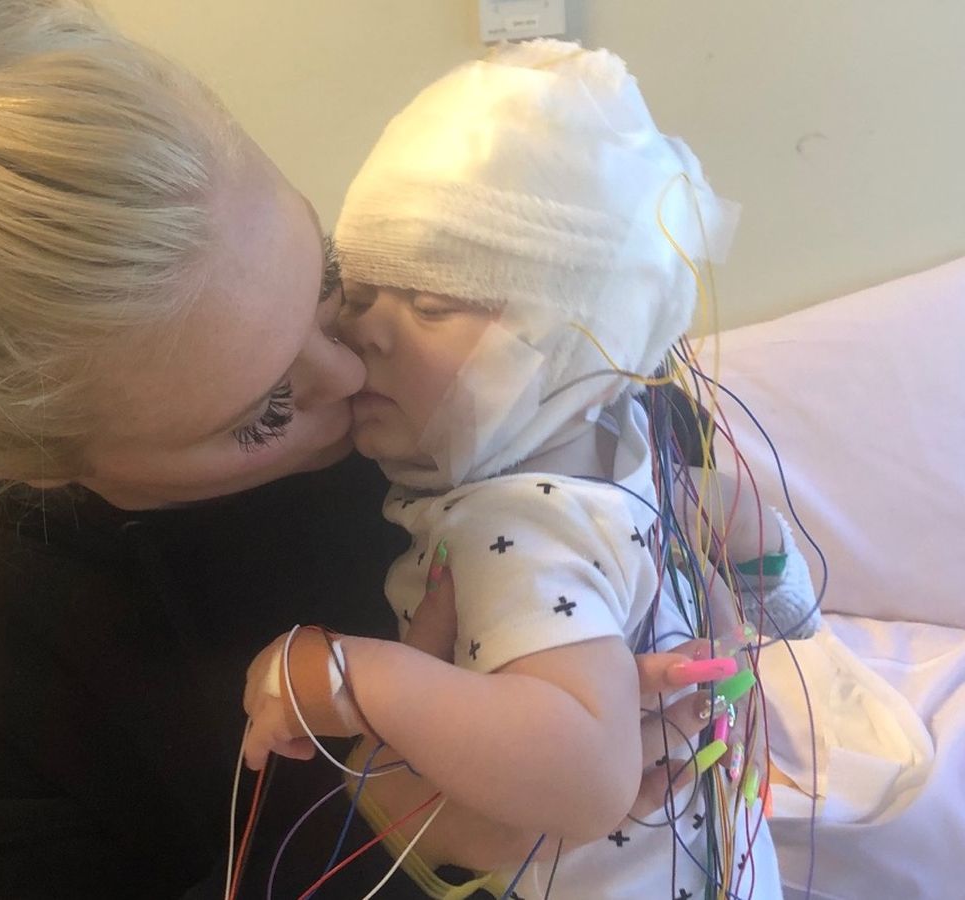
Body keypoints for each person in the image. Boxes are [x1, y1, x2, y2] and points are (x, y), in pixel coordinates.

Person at [0, 2, 768, 897]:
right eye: (264, 410)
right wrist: (390, 837)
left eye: (327, 276)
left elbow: (652, 450)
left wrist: (701, 601)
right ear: (29, 463)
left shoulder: (405, 361)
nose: (354, 367)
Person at [242, 41, 820, 898]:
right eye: (356, 295)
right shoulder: (623, 438)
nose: (367, 332)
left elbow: (586, 774)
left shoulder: (509, 527)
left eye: (430, 304)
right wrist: (781, 589)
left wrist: (350, 675)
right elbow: (722, 506)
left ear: (569, 345)